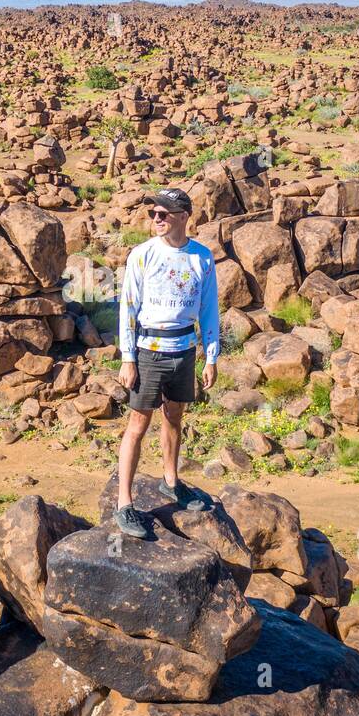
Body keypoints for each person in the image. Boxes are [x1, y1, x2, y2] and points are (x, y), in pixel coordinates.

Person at [113, 188, 218, 538]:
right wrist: (128, 358)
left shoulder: (201, 257)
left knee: (174, 417)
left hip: (185, 349)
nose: (156, 219)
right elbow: (128, 307)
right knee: (138, 425)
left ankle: (170, 482)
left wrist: (211, 355)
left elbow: (209, 309)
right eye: (153, 214)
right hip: (149, 350)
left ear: (184, 216)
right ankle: (124, 503)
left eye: (164, 214)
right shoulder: (142, 255)